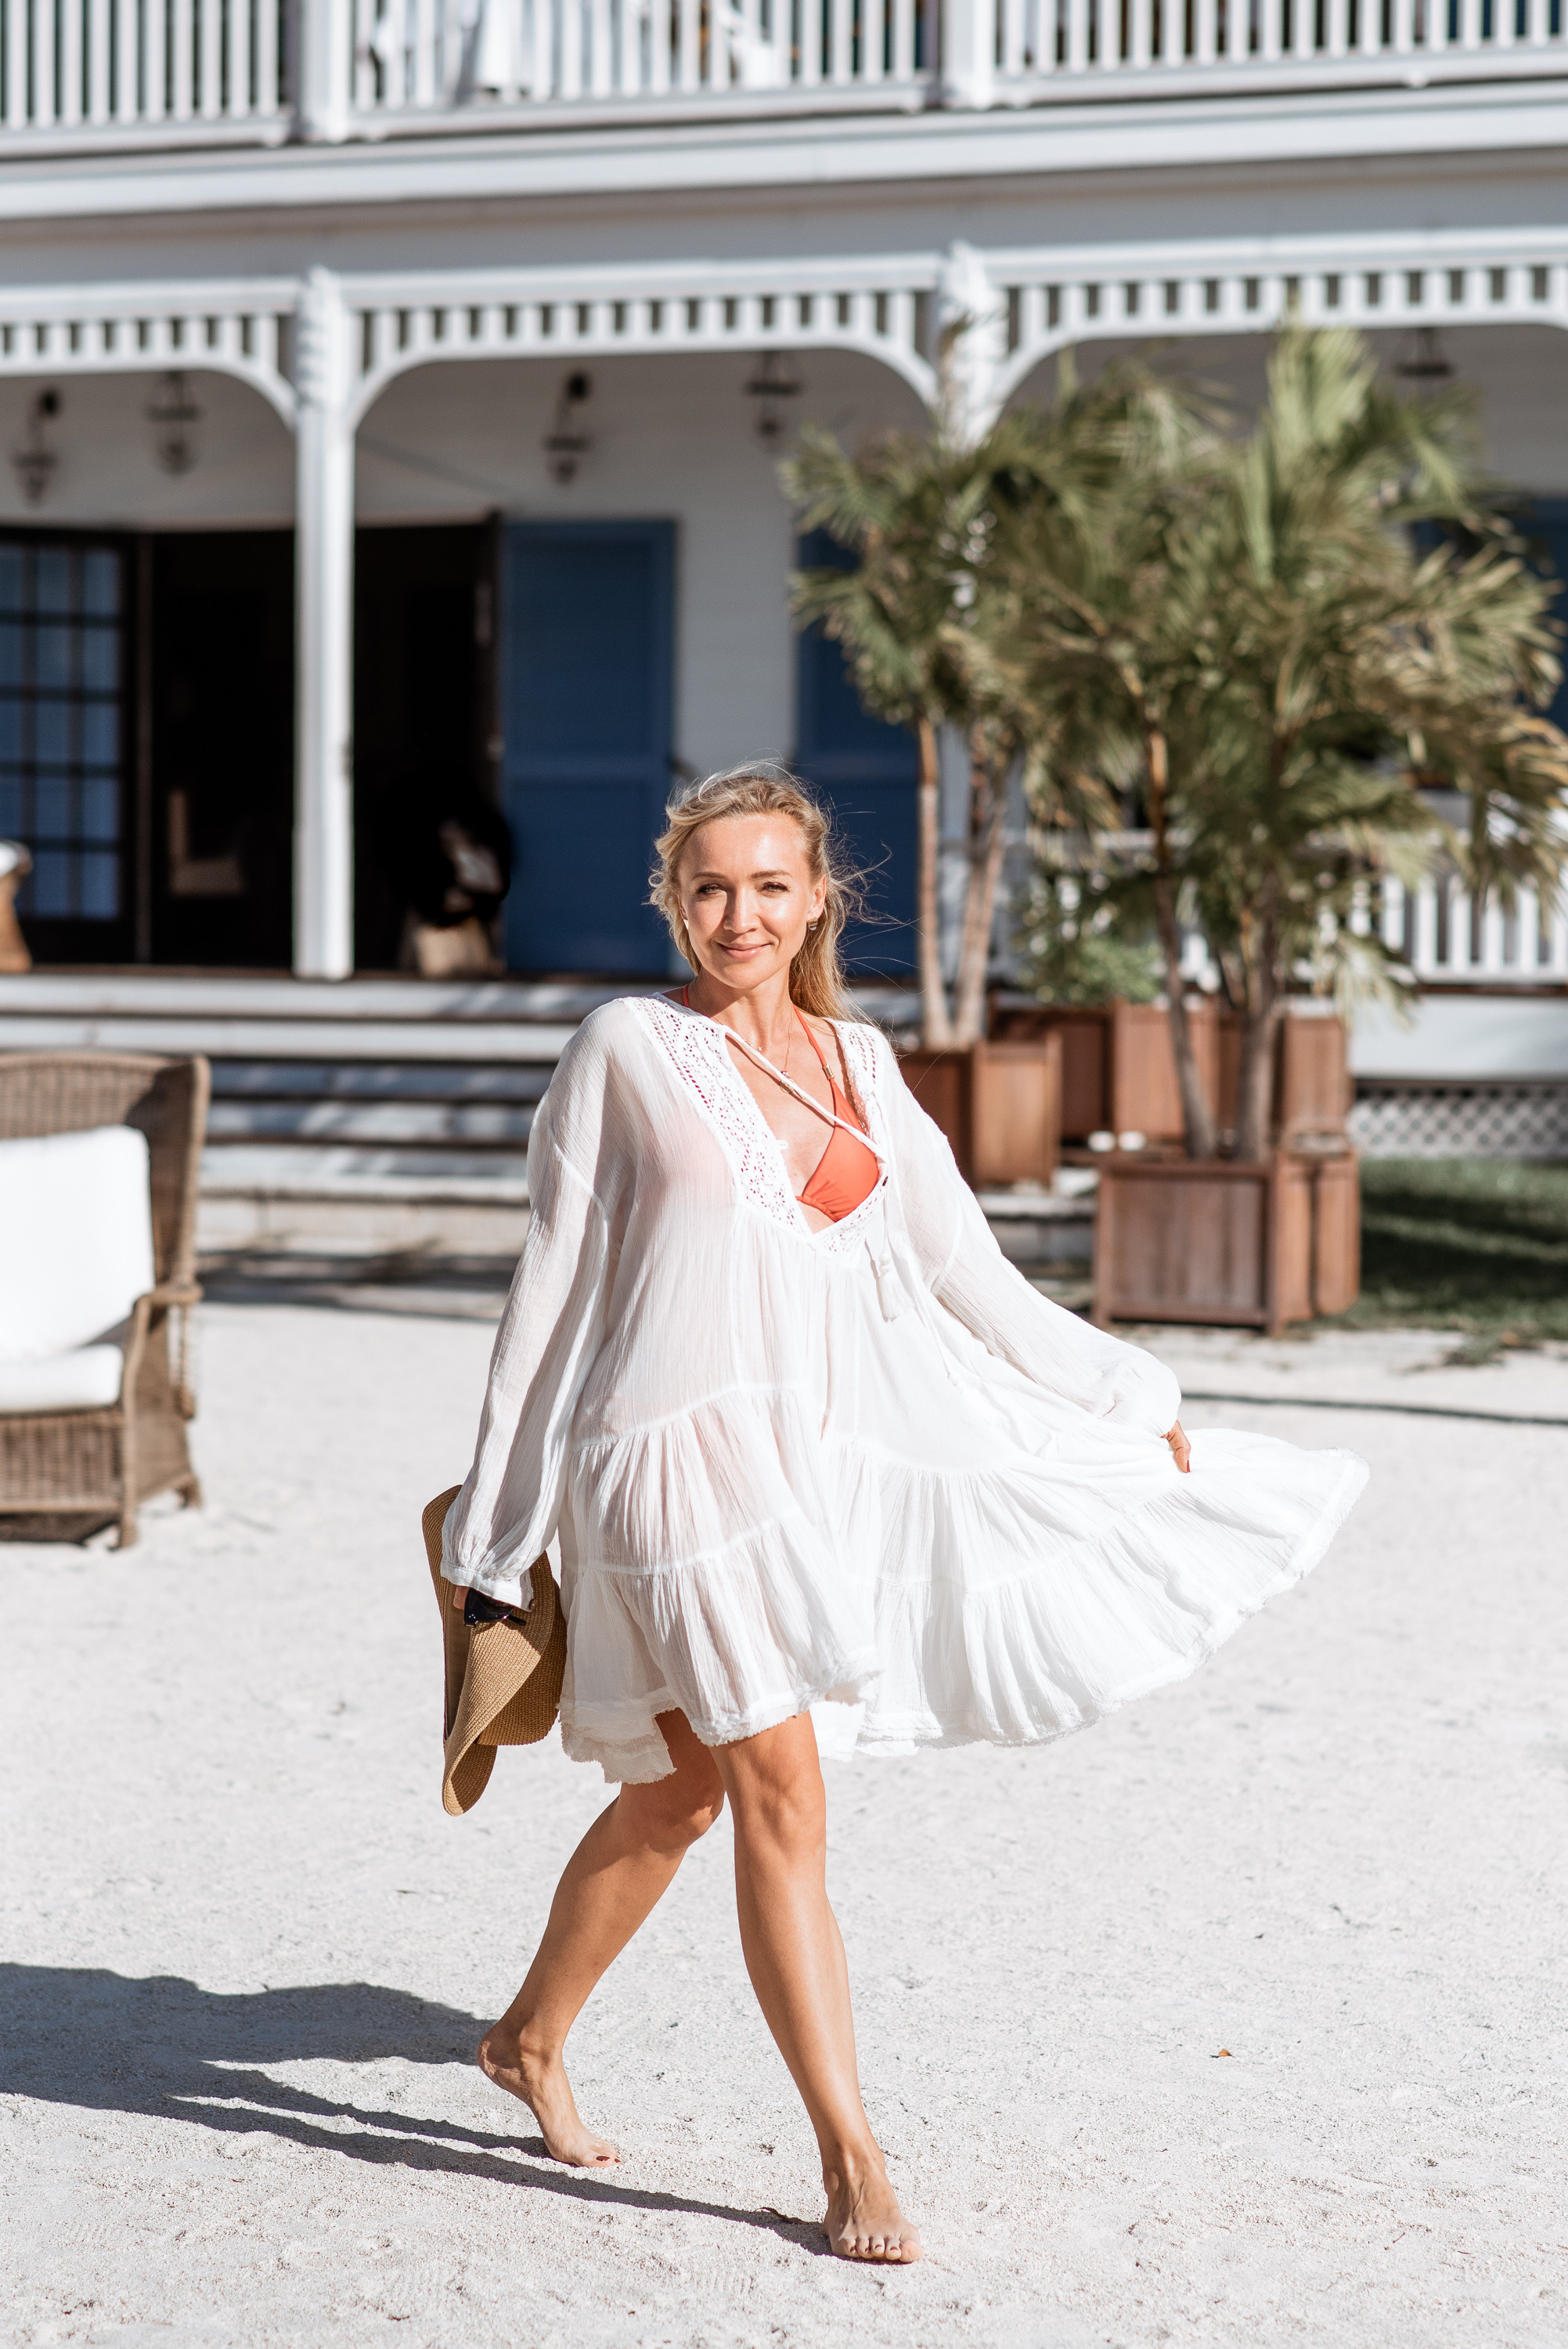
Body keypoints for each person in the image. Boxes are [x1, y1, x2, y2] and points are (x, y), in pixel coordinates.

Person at [439, 765, 1368, 2266]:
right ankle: (853, 2157)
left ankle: (528, 2037)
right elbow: (548, 1288)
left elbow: (971, 1278)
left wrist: (1131, 1394)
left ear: (816, 900)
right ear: (674, 900)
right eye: (708, 887)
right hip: (663, 1466)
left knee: (682, 1793)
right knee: (784, 1797)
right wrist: (494, 1535)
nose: (737, 914)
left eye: (767, 886)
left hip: (802, 1467)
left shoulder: (864, 1065)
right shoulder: (626, 1045)